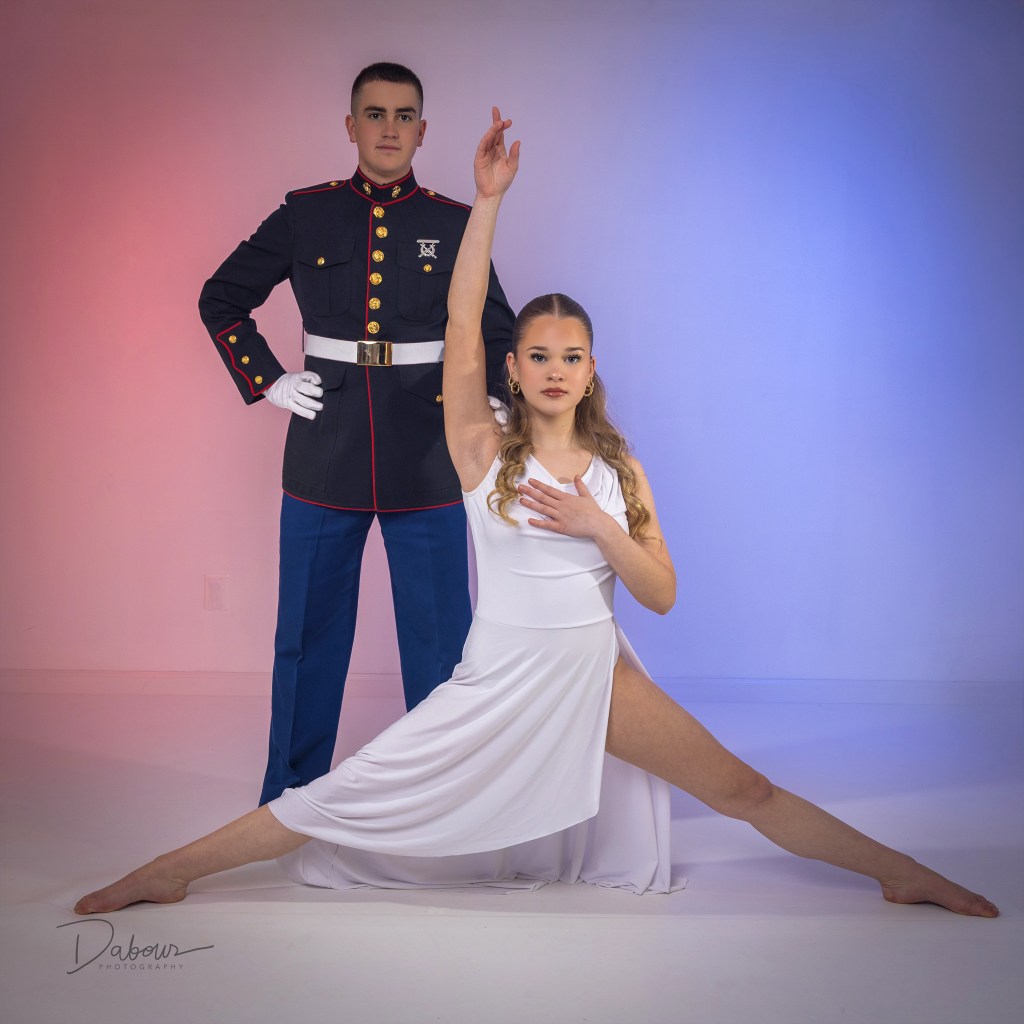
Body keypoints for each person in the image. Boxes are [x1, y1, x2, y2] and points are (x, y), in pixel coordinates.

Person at [76, 111, 998, 917]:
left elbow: (663, 596)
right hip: (503, 677)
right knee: (348, 796)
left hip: (594, 674)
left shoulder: (622, 467)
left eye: (574, 355)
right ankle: (169, 871)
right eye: (540, 354)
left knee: (743, 786)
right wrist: (487, 202)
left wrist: (600, 528)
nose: (556, 368)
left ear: (592, 369)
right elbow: (464, 309)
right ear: (512, 367)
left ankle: (901, 872)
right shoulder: (480, 448)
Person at [197, 63, 515, 806]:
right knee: (306, 637)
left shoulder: (449, 220)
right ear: (351, 126)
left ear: (422, 131)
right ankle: (291, 798)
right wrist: (266, 379)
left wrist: (494, 405)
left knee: (440, 642)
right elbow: (222, 297)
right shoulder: (307, 214)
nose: (389, 128)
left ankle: (444, 796)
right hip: (325, 451)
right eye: (374, 114)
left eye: (404, 116)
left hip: (427, 452)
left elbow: (496, 328)